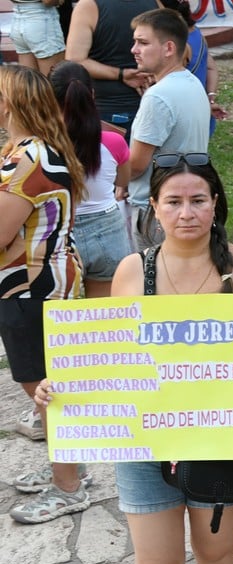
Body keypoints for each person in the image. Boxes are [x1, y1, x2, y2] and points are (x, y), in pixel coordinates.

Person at [98, 153, 233, 564]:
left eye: (197, 200)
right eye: (173, 201)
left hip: (223, 437)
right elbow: (112, 357)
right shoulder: (133, 272)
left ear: (215, 203)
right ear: (154, 206)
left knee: (217, 556)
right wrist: (67, 381)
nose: (186, 212)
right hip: (146, 439)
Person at [0, 64, 91, 524]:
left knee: (46, 390)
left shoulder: (23, 160)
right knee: (49, 385)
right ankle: (69, 467)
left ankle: (68, 486)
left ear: (10, 103)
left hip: (28, 288)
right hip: (50, 283)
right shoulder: (41, 149)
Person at [127, 8, 211, 251]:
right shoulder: (192, 81)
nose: (134, 50)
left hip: (156, 210)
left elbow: (135, 166)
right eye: (135, 42)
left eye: (142, 43)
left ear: (169, 48)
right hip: (188, 199)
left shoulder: (158, 96)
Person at [49, 60, 132, 301]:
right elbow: (123, 179)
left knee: (62, 322)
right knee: (103, 320)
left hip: (61, 234)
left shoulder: (43, 146)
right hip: (109, 232)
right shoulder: (114, 142)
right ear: (92, 94)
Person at [66, 0, 159, 139]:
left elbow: (75, 60)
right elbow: (176, 46)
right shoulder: (154, 3)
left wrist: (121, 74)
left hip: (108, 109)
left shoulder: (88, 6)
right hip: (148, 102)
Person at [161, 0, 228, 136]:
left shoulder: (174, 45)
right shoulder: (197, 34)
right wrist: (211, 98)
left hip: (181, 117)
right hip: (203, 111)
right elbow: (211, 68)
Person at [9, 0, 65, 76]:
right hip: (41, 18)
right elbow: (48, 1)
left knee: (29, 82)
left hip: (17, 16)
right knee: (54, 80)